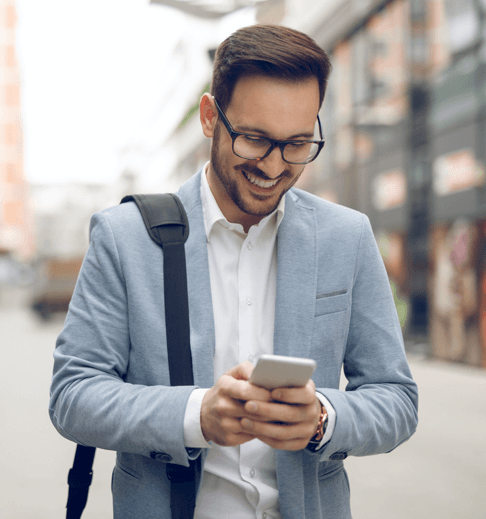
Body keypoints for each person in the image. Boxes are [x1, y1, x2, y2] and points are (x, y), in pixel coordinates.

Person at [49, 24, 418, 519]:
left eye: (297, 144)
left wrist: (323, 418)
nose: (274, 166)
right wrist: (195, 415)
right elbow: (73, 396)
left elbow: (396, 399)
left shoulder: (346, 236)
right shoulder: (124, 237)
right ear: (209, 117)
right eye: (254, 139)